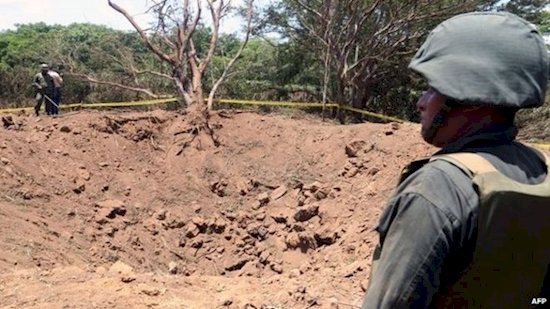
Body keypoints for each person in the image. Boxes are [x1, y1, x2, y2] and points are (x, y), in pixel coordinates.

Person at [362, 12, 550, 308]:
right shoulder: (542, 170)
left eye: (434, 88)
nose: (421, 102)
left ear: (470, 95)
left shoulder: (438, 188)